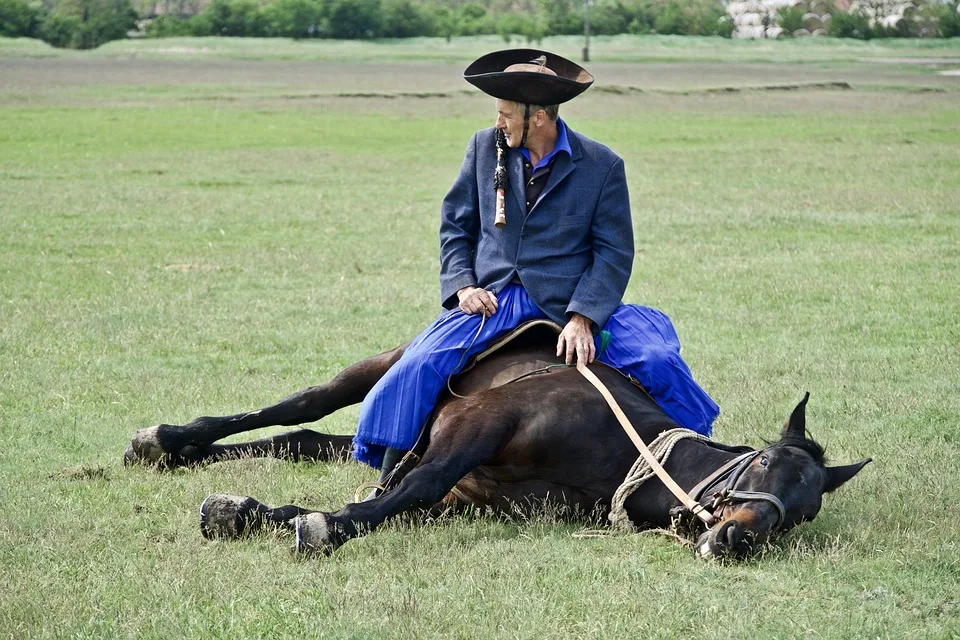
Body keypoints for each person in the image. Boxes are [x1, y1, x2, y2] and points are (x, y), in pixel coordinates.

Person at [352, 49, 719, 479]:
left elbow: (614, 252)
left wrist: (584, 317)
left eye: (507, 114)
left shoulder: (602, 166)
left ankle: (699, 456)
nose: (499, 123)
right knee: (417, 365)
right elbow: (456, 225)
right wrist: (464, 286)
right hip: (495, 297)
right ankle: (392, 471)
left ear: (539, 118)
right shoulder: (482, 148)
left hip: (568, 301)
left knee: (657, 360)